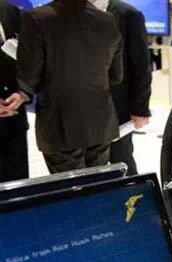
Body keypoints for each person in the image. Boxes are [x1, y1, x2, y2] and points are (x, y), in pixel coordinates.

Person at [16, 0, 123, 174]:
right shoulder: (107, 20)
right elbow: (116, 76)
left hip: (59, 123)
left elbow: (29, 76)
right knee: (98, 183)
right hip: (100, 120)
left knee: (70, 186)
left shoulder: (36, 18)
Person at [92, 0, 151, 176]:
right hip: (83, 106)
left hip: (118, 105)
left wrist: (140, 108)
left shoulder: (129, 15)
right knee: (90, 166)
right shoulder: (73, 12)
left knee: (121, 158)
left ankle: (132, 193)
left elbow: (141, 64)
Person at [0, 0, 29, 183]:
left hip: (15, 120)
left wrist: (23, 92)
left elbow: (29, 58)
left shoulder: (10, 10)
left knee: (18, 186)